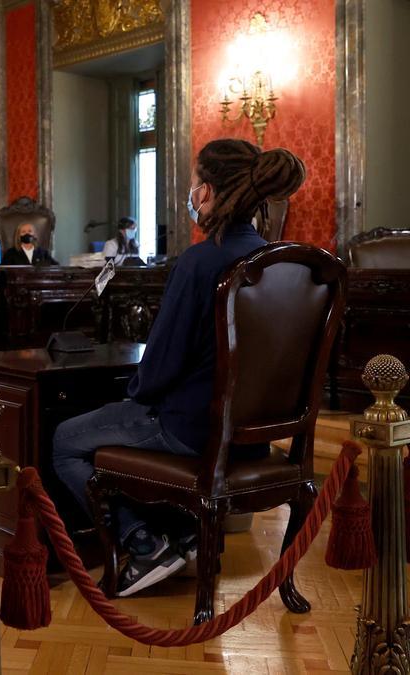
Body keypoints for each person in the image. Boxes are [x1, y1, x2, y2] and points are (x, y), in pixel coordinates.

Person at [51, 138, 306, 597]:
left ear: (206, 192)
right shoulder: (286, 263)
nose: (191, 194)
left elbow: (160, 369)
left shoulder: (201, 260)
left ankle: (144, 543)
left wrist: (134, 393)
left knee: (65, 440)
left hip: (192, 430)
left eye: (192, 183)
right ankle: (184, 535)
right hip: (258, 437)